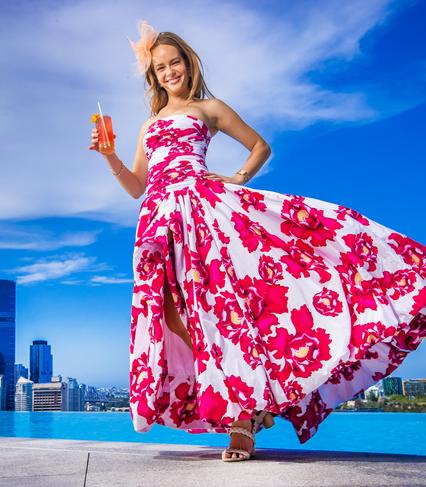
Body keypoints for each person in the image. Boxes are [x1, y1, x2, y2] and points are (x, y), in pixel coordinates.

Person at [88, 20, 426, 462]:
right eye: (161, 67)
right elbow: (137, 186)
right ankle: (256, 392)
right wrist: (109, 155)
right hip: (157, 221)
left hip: (202, 211)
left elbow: (259, 145)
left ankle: (242, 419)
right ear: (153, 76)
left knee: (219, 314)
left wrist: (238, 177)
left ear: (188, 64)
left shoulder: (208, 108)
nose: (170, 72)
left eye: (176, 63)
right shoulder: (148, 124)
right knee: (172, 320)